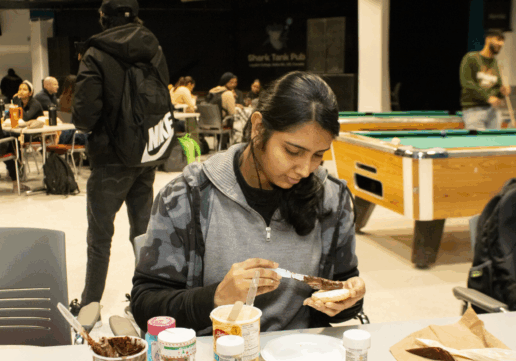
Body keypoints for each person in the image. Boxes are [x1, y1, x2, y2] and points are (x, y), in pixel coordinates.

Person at [131, 71, 366, 334]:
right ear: (258, 127)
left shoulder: (332, 198)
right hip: (214, 360)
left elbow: (344, 285)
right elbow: (145, 306)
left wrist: (349, 300)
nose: (304, 169)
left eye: (318, 155)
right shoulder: (187, 197)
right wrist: (216, 298)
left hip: (302, 356)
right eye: (292, 151)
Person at [70, 0, 170, 314]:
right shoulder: (154, 48)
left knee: (99, 236)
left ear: (103, 18)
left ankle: (90, 306)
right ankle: (147, 299)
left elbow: (84, 117)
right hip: (146, 153)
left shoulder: (95, 53)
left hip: (109, 157)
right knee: (142, 232)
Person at [460, 29, 510, 130]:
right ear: (488, 39)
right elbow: (467, 83)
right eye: (498, 39)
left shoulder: (496, 63)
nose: (501, 43)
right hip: (474, 110)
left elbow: (496, 89)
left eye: (502, 41)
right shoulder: (471, 58)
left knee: (494, 145)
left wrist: (503, 92)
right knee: (478, 145)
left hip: (493, 112)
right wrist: (488, 97)